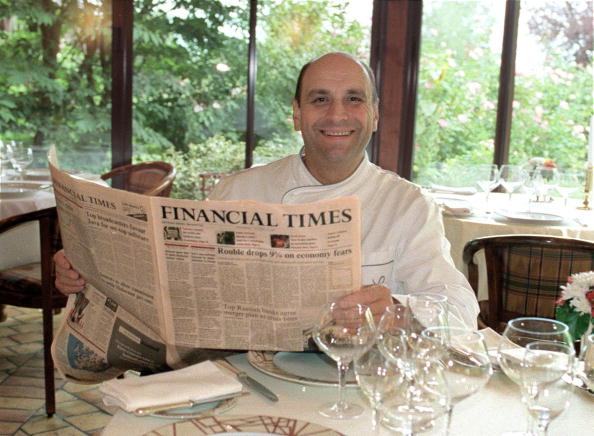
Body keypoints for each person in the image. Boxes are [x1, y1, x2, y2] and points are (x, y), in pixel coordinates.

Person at [55, 52, 479, 328]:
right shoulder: (238, 190)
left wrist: (399, 311)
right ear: (297, 115)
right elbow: (167, 289)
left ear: (373, 115)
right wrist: (86, 271)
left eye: (353, 99)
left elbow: (461, 310)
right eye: (319, 99)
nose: (337, 114)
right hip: (242, 383)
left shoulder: (408, 204)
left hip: (358, 383)